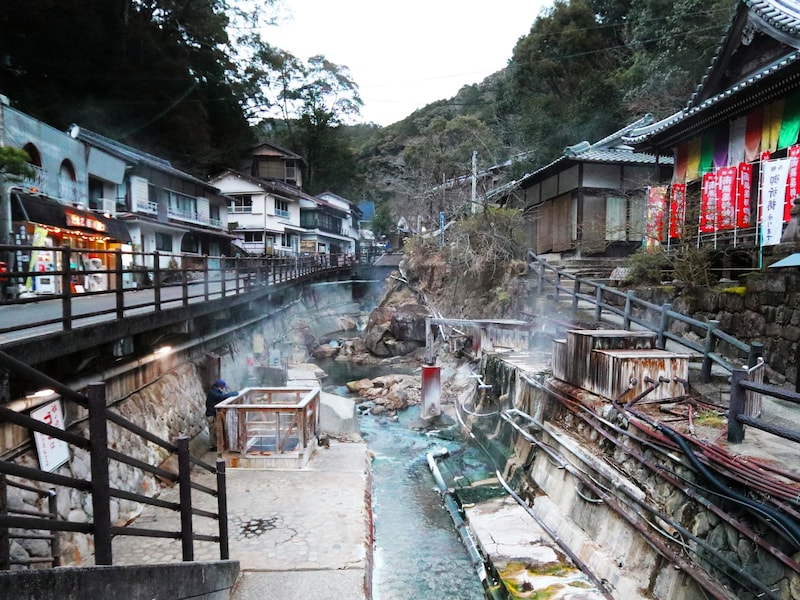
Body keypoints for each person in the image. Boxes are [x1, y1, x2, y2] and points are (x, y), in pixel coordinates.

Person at [206, 379, 237, 450]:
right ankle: (213, 446)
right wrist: (233, 394)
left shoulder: (216, 391)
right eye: (223, 387)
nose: (223, 388)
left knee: (217, 430)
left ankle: (218, 445)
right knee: (213, 431)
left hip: (214, 414)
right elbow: (221, 398)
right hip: (211, 415)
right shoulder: (212, 393)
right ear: (219, 386)